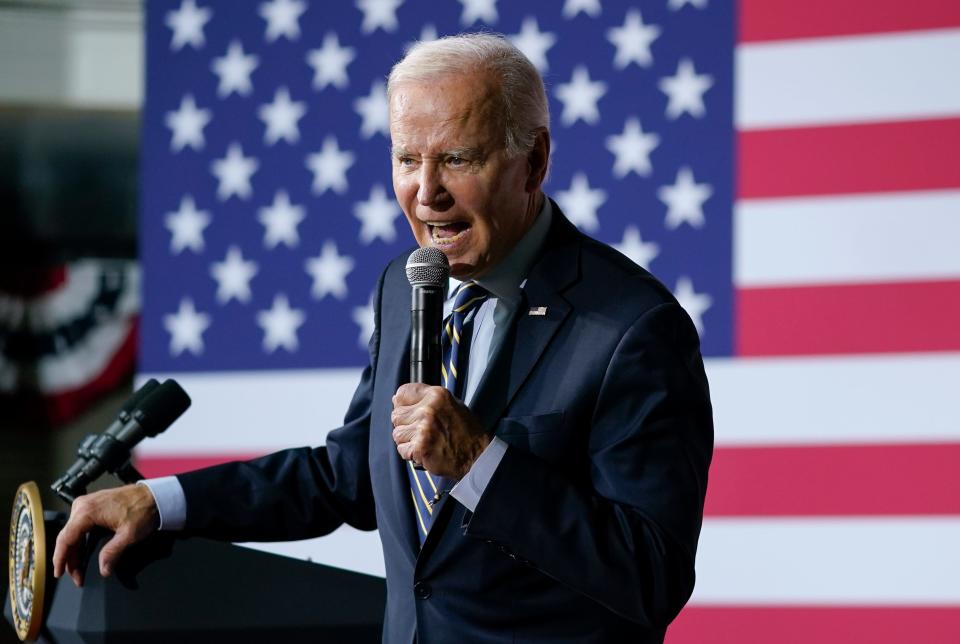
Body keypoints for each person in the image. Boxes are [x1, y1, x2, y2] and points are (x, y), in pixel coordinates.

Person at [53, 34, 713, 643]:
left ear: (532, 160)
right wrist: (161, 501)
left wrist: (481, 463)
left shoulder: (633, 328)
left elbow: (650, 574)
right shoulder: (406, 284)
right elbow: (352, 476)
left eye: (457, 158)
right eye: (406, 159)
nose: (427, 194)